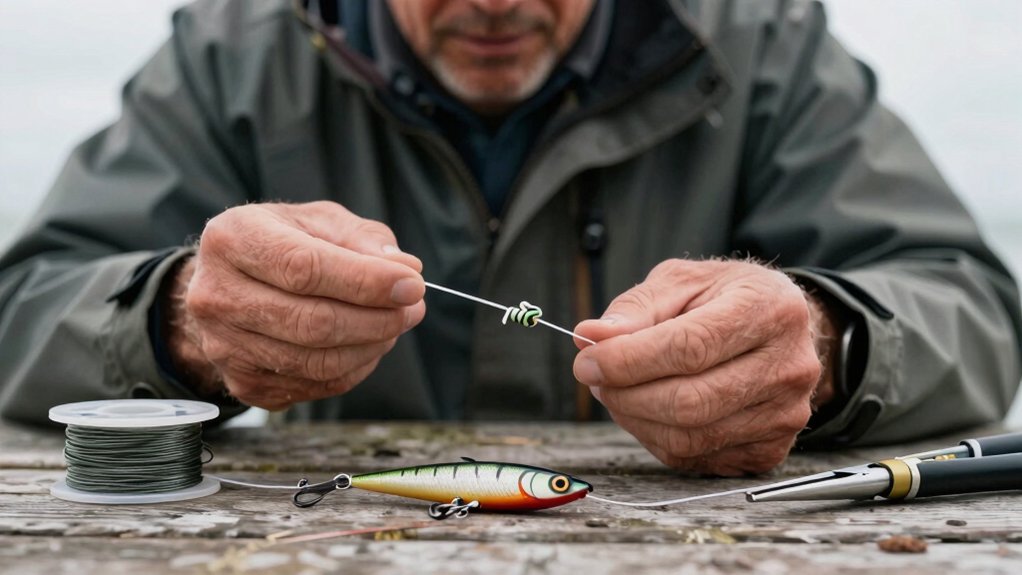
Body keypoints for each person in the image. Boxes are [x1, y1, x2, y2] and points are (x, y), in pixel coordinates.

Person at [0, 0, 1019, 476]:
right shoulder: (231, 55)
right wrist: (179, 322)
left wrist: (827, 342)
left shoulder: (765, 46)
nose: (493, 2)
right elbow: (26, 307)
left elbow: (967, 309)